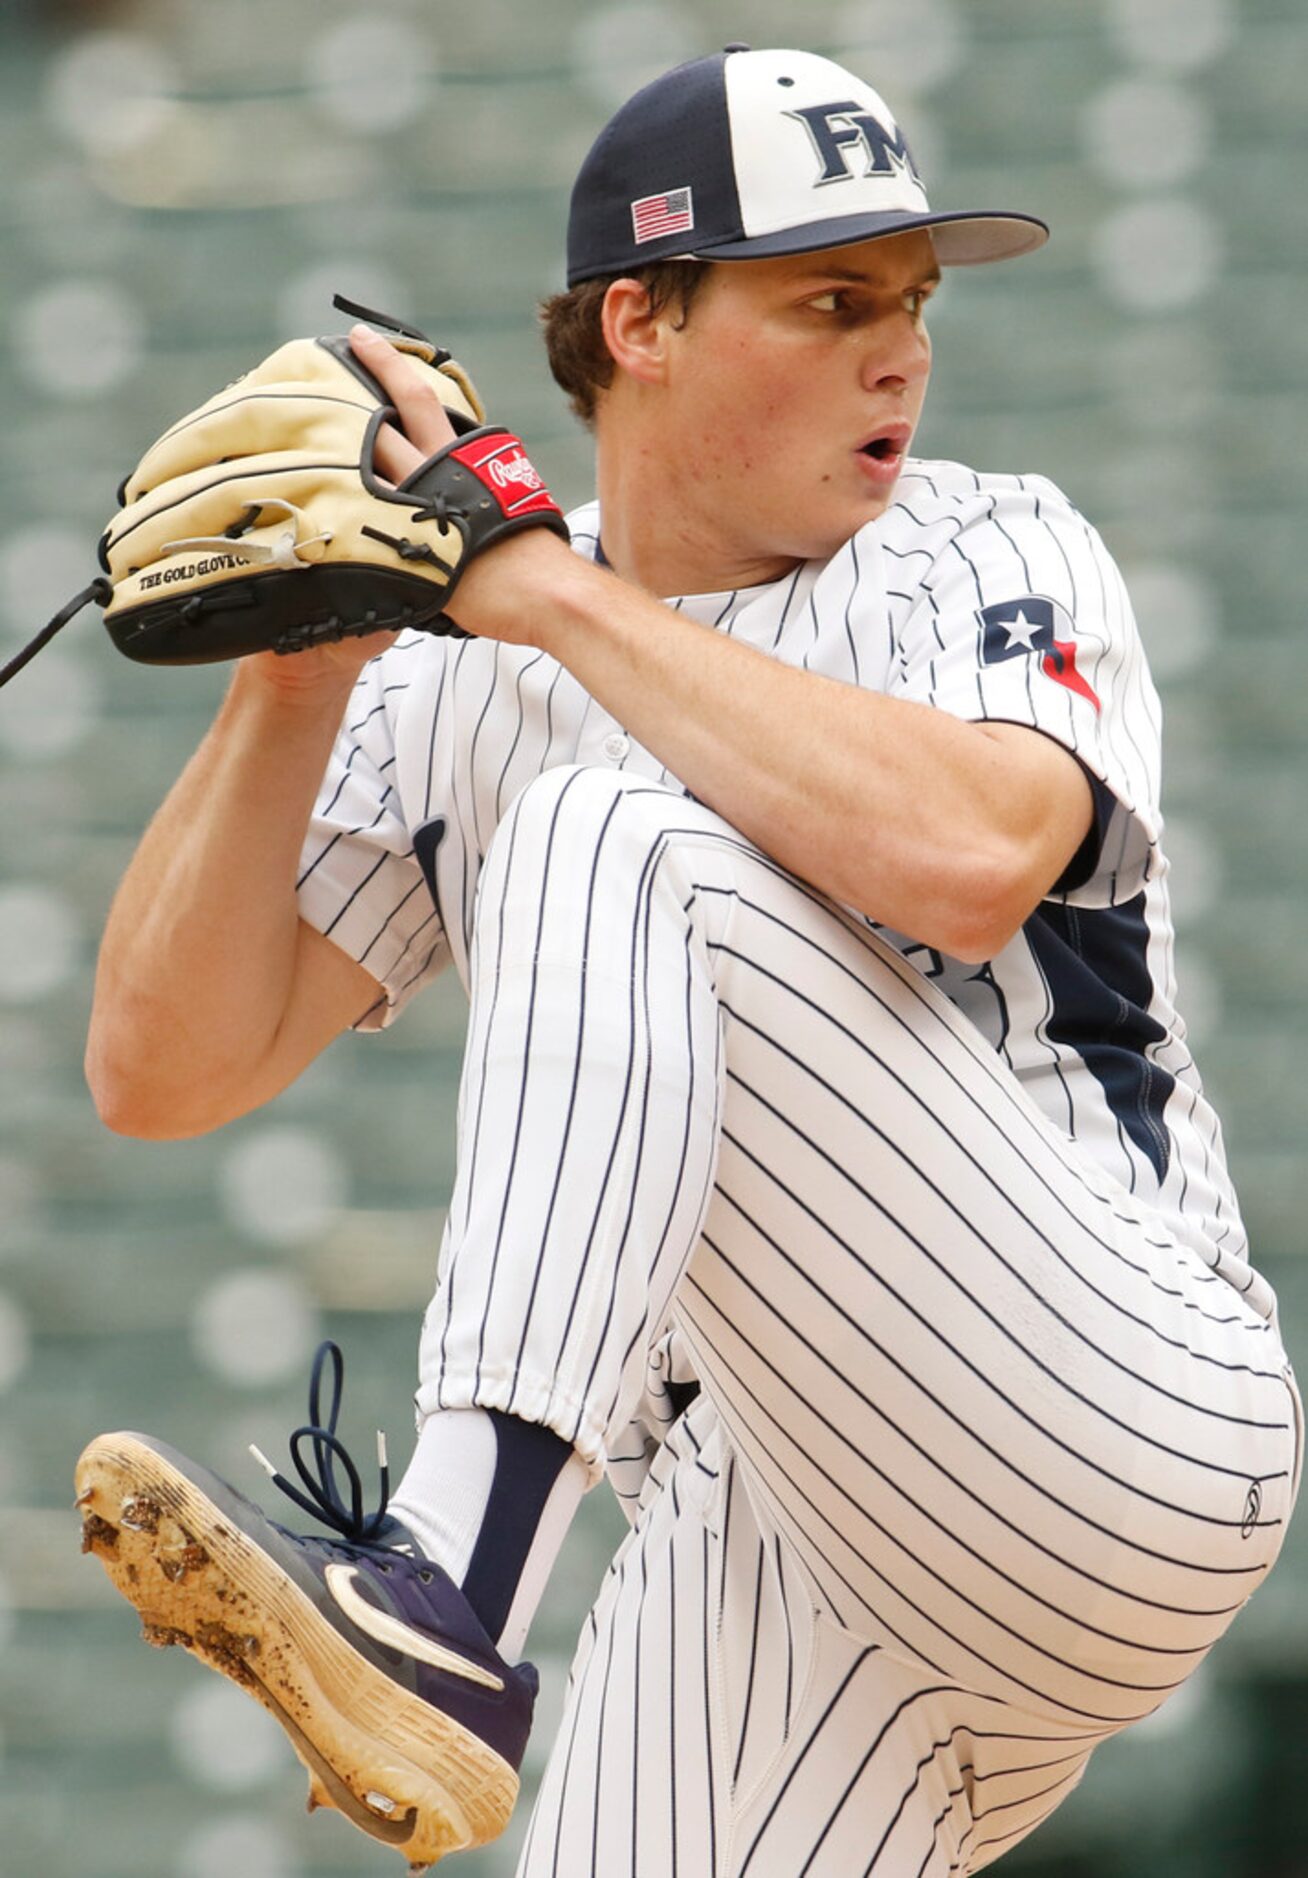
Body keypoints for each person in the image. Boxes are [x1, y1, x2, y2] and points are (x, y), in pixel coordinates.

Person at [76, 44, 1300, 1878]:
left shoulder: (986, 540)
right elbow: (165, 1074)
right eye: (830, 301)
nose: (902, 350)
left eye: (913, 301)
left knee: (606, 828)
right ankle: (452, 1618)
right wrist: (300, 676)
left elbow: (973, 858)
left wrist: (538, 588)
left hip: (1107, 1409)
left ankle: (453, 1587)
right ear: (639, 321)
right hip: (770, 1514)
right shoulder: (461, 651)